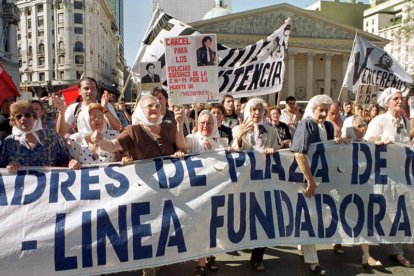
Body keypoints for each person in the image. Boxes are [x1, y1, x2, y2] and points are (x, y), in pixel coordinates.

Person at [290, 94, 341, 275]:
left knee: (314, 216)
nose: (324, 113)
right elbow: (299, 154)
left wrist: (337, 141)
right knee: (309, 218)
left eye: (326, 111)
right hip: (306, 179)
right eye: (321, 110)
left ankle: (303, 245)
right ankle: (313, 262)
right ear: (313, 109)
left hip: (321, 178)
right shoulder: (307, 124)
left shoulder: (326, 126)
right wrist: (310, 180)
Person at [364, 87, 412, 268]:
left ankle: (397, 252)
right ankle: (367, 251)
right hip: (382, 175)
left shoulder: (405, 122)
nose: (400, 101)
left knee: (400, 211)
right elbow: (366, 143)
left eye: (401, 99)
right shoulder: (379, 120)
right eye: (396, 99)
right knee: (379, 210)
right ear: (387, 102)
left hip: (401, 174)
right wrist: (379, 143)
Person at [231, 98, 281, 272]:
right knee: (243, 218)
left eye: (260, 109)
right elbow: (232, 151)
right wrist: (239, 137)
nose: (256, 113)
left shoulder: (271, 131)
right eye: (253, 109)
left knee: (265, 219)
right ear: (247, 111)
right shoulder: (238, 128)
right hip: (244, 183)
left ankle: (257, 258)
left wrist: (272, 151)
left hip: (264, 182)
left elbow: (279, 153)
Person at [0, 100, 73, 171]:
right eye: (18, 117)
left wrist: (72, 163)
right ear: (14, 121)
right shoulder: (8, 142)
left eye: (27, 115)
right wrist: (8, 167)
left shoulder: (51, 136)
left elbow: (66, 161)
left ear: (34, 116)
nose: (23, 119)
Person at [52, 77, 121, 138]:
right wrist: (61, 111)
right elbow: (61, 132)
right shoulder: (73, 108)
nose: (90, 91)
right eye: (86, 88)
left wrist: (105, 110)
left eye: (93, 88)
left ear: (96, 91)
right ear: (79, 91)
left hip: (103, 146)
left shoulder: (107, 105)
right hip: (82, 149)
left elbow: (118, 128)